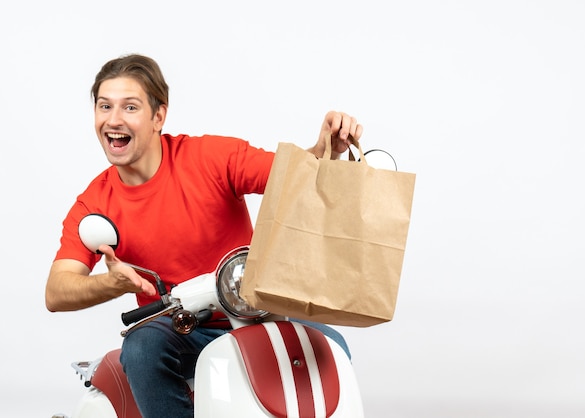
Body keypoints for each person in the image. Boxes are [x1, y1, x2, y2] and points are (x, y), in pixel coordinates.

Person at [45, 53, 363, 417]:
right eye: (104, 106)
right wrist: (112, 284)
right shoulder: (94, 204)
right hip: (180, 328)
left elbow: (293, 175)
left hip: (255, 311)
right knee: (141, 347)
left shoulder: (211, 158)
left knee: (332, 346)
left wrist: (326, 149)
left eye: (129, 107)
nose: (113, 120)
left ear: (158, 116)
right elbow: (56, 291)